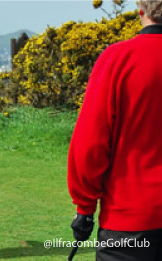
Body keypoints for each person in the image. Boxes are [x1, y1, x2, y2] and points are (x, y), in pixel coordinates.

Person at [68, 1, 162, 260]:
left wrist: (85, 207)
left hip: (130, 223)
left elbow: (90, 143)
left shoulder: (118, 59)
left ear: (141, 9)